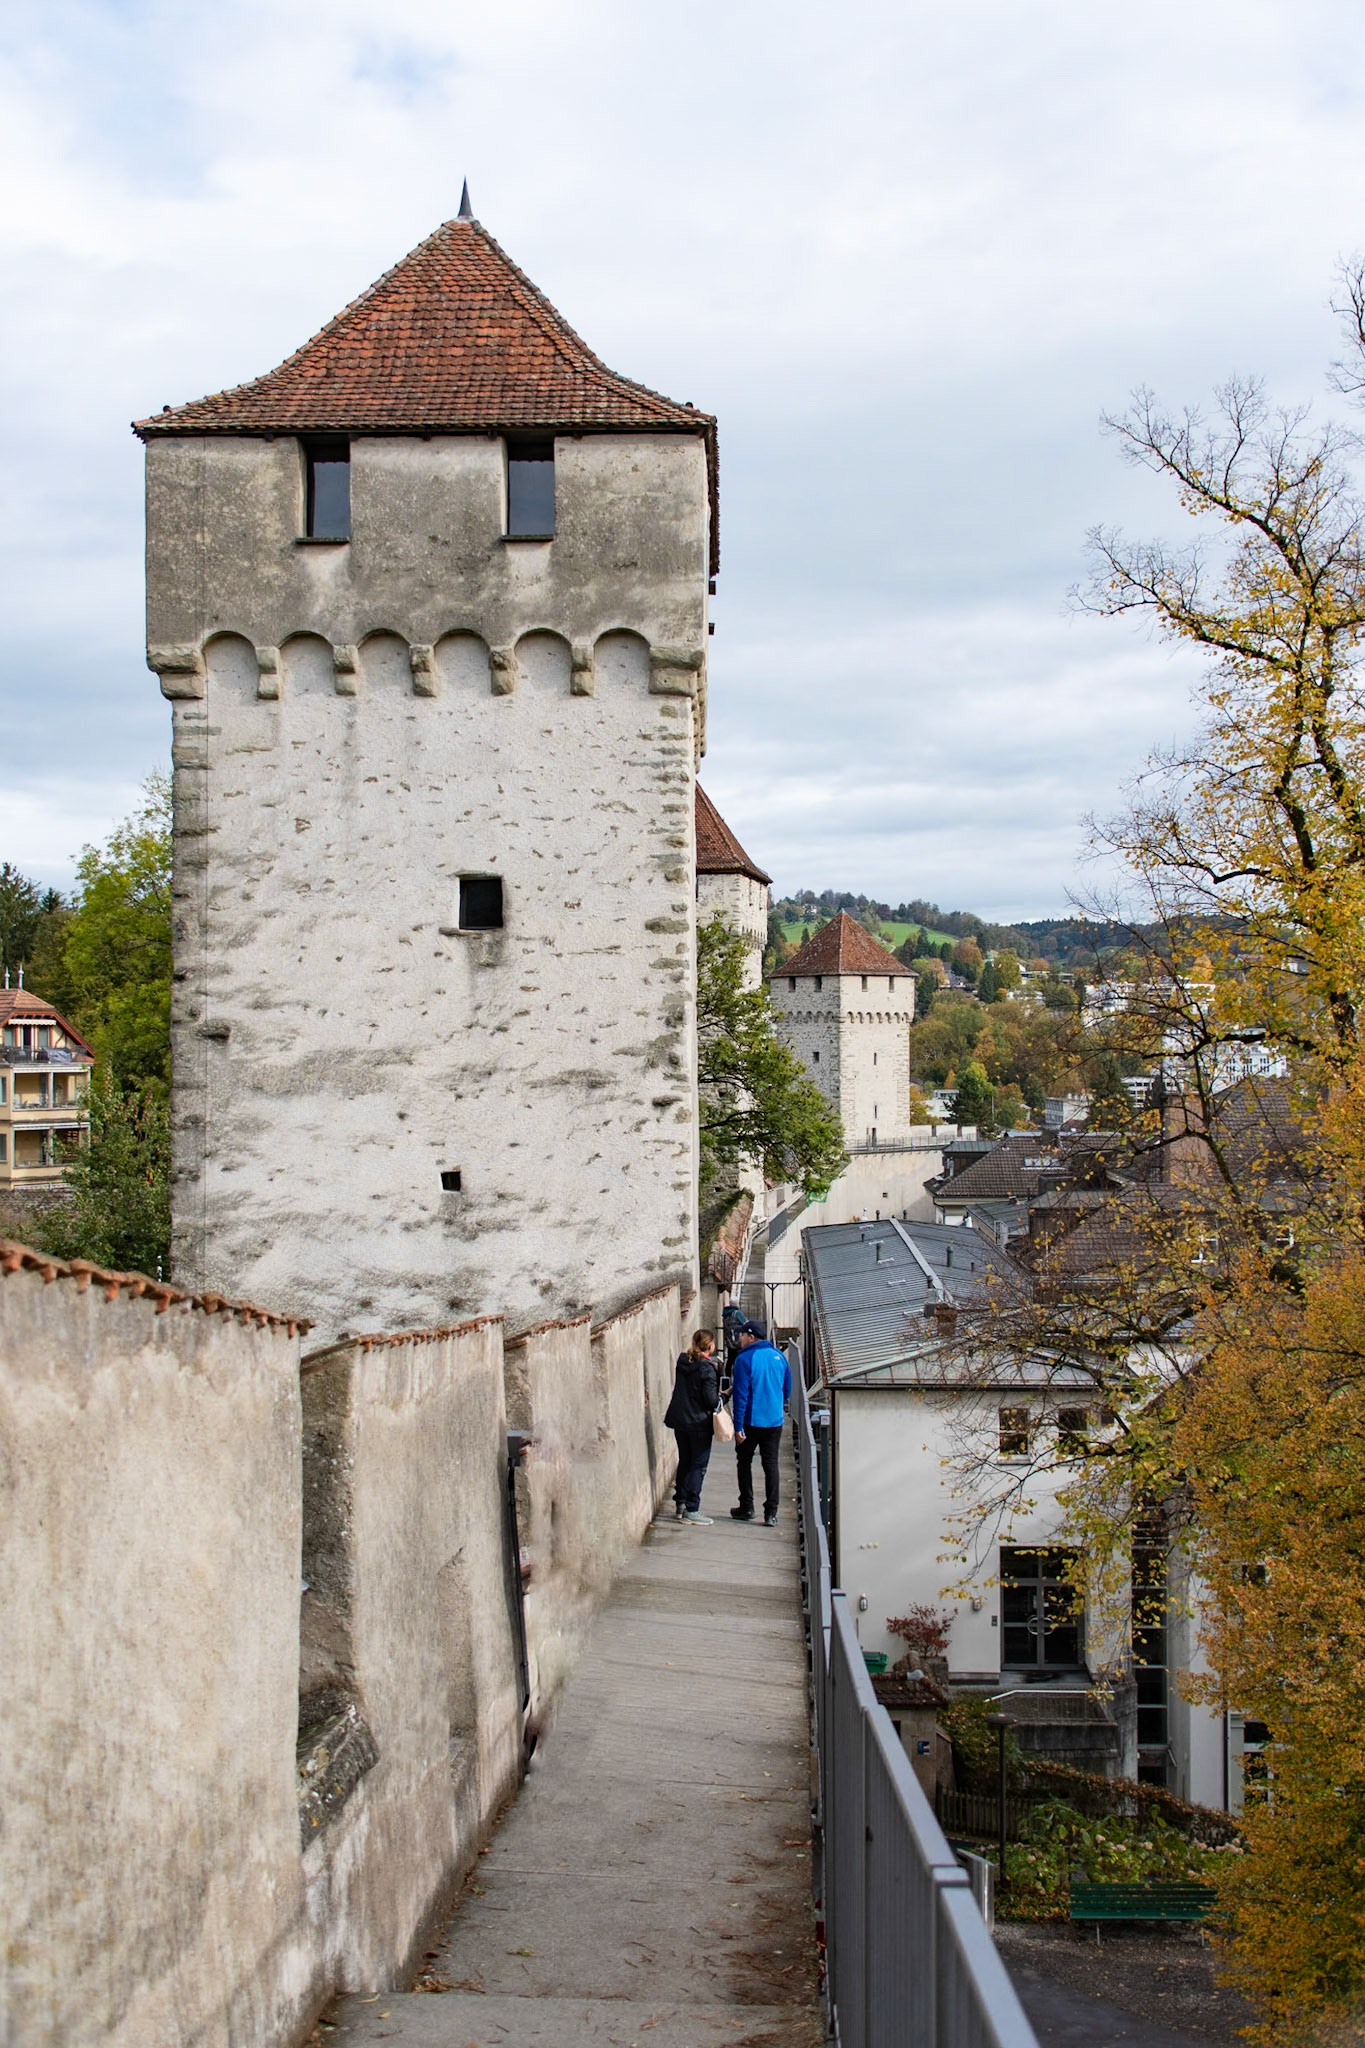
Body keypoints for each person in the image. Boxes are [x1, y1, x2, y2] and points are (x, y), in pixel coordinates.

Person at [730, 1319, 791, 1526]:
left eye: (742, 1335)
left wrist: (738, 1426)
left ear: (751, 1337)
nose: (740, 1338)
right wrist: (775, 1405)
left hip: (751, 1421)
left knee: (744, 1461)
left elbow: (740, 1396)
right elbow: (787, 1389)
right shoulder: (779, 1357)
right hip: (774, 1421)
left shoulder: (744, 1359)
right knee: (771, 1464)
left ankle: (747, 1506)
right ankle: (771, 1513)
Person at [663, 1329, 720, 1524]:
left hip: (680, 1420)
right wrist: (723, 1397)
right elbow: (710, 1400)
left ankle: (680, 1503)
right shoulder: (707, 1368)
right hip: (699, 1422)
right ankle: (692, 1508)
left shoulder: (683, 1362)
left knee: (685, 1460)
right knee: (698, 1465)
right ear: (710, 1346)